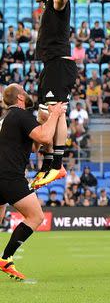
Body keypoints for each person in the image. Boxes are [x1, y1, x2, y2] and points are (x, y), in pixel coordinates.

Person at [24, 0, 78, 189]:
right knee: (45, 114)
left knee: (56, 112)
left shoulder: (55, 2)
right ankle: (50, 163)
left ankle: (56, 164)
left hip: (59, 65)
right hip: (52, 65)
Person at [0, 86, 64, 281]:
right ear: (20, 97)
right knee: (35, 216)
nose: (27, 93)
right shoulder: (21, 114)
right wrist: (54, 115)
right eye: (24, 91)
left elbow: (34, 147)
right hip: (10, 176)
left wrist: (42, 125)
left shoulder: (6, 118)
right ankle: (6, 258)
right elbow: (44, 137)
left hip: (3, 173)